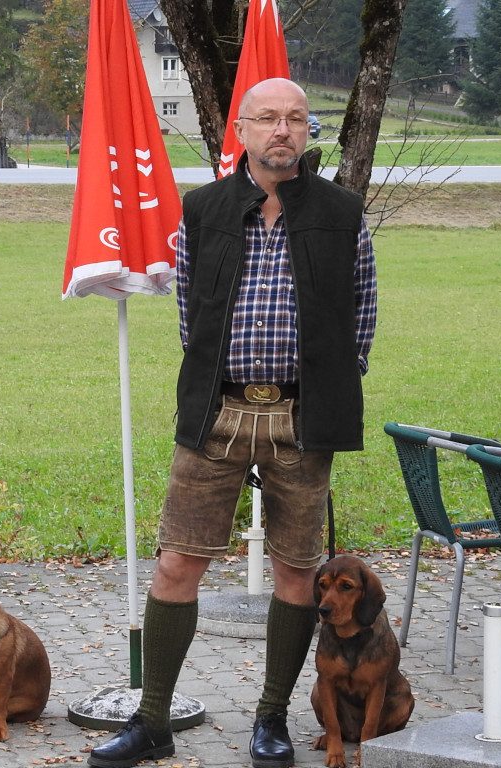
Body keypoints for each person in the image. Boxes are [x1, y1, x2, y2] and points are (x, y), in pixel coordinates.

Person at [88, 77, 376, 768]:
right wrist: (217, 386)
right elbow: (192, 314)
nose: (283, 130)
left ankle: (269, 719)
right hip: (217, 412)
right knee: (178, 561)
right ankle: (152, 719)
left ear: (310, 132)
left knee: (296, 570)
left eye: (297, 119)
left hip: (302, 417)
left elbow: (362, 316)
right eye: (268, 118)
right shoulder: (205, 209)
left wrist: (328, 390)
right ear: (242, 131)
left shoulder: (341, 212)